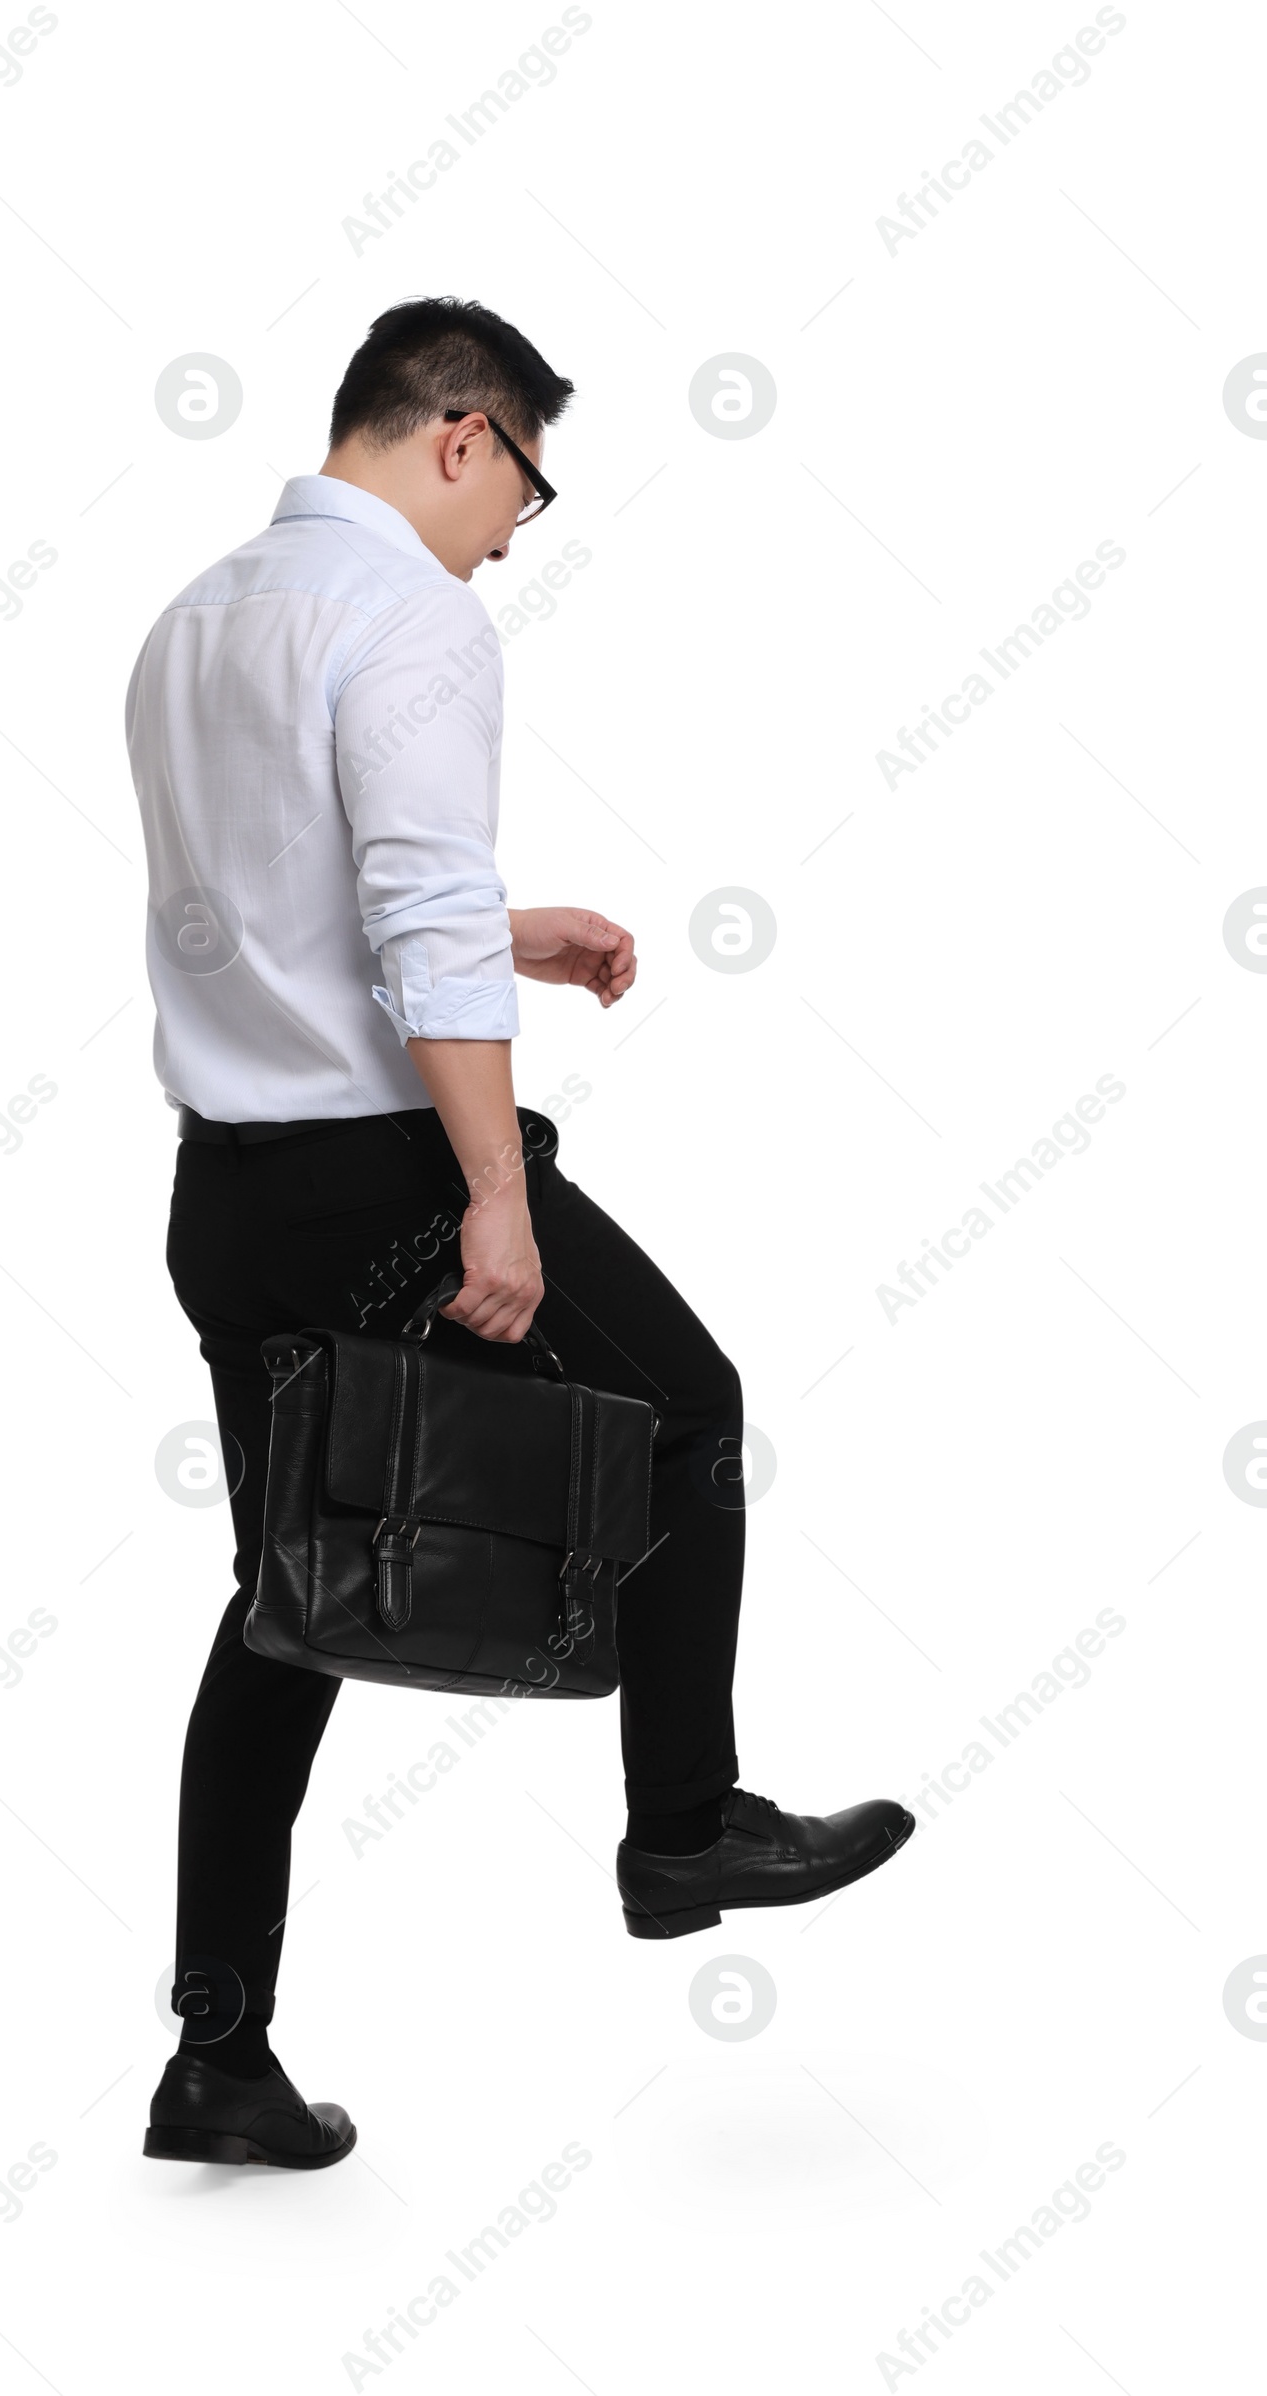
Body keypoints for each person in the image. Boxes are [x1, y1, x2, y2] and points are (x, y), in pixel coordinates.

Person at [126, 298, 913, 2171]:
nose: (509, 535)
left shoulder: (194, 619)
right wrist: (493, 1190)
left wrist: (506, 933)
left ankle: (214, 2061)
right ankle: (686, 1820)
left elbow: (293, 892)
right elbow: (403, 909)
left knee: (288, 1610)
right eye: (528, 490)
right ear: (465, 431)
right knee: (688, 1410)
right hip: (388, 1175)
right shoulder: (411, 612)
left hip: (231, 1192)